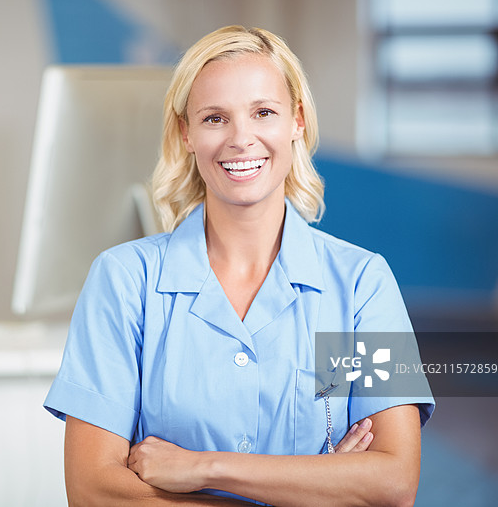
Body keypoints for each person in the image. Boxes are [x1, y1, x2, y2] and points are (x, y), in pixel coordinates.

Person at [44, 25, 435, 506]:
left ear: (297, 121)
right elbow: (93, 490)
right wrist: (316, 487)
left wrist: (203, 468)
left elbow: (393, 483)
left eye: (263, 113)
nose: (240, 139)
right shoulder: (124, 281)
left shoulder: (361, 284)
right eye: (214, 118)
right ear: (186, 133)